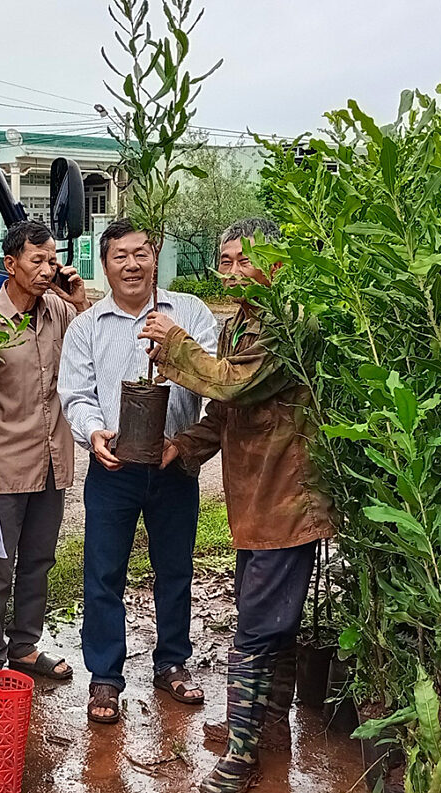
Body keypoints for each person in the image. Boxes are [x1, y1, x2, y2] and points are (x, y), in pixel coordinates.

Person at [139, 217, 337, 793]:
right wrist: (183, 446)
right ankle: (266, 726)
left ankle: (242, 756)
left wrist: (175, 342)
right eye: (224, 262)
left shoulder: (290, 324)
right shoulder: (244, 322)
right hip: (255, 503)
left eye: (242, 261)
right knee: (271, 625)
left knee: (253, 631)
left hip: (287, 501)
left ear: (276, 263)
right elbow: (227, 415)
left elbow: (229, 385)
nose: (231, 273)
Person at [58, 218, 218, 724]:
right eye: (120, 255)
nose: (132, 264)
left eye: (141, 253)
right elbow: (76, 394)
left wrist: (175, 349)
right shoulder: (87, 326)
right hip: (114, 469)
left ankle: (172, 662)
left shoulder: (188, 312)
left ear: (155, 258)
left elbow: (215, 376)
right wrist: (93, 432)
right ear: (104, 266)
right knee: (103, 573)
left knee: (174, 569)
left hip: (175, 467)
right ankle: (105, 677)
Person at [0, 220, 90, 679]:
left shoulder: (60, 312)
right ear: (10, 263)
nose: (48, 269)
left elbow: (90, 352)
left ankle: (24, 646)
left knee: (39, 560)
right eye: (36, 260)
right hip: (4, 466)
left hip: (52, 463)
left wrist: (78, 300)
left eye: (52, 259)